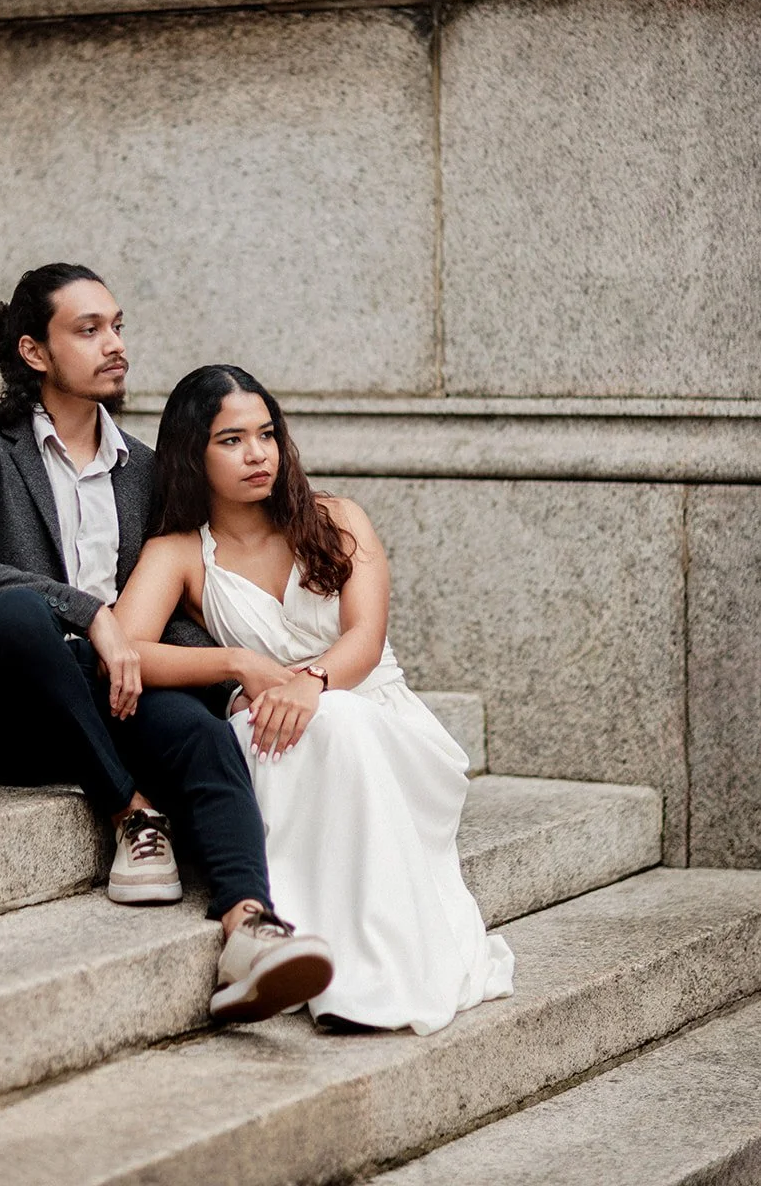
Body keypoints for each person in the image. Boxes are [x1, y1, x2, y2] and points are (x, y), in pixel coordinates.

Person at [0, 266, 333, 1023]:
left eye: (118, 326)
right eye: (89, 330)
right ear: (34, 352)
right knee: (17, 615)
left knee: (202, 738)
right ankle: (131, 813)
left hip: (105, 690)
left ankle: (248, 927)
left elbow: (165, 603)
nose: (115, 346)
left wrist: (222, 670)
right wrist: (91, 613)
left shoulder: (141, 468)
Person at [113, 363, 516, 1032]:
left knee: (341, 723)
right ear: (191, 453)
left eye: (266, 435)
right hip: (273, 722)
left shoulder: (334, 516)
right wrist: (240, 662)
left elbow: (364, 636)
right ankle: (289, 950)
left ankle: (372, 978)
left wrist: (312, 682)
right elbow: (126, 651)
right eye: (231, 440)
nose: (257, 455)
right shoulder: (178, 552)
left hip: (375, 712)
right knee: (288, 735)